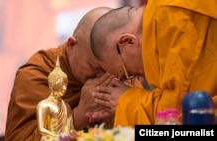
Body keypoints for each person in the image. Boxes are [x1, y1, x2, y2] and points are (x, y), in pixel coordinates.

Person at [5, 6, 139, 141]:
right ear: (71, 45)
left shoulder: (121, 74)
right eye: (94, 67)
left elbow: (155, 132)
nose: (103, 78)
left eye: (110, 70)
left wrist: (126, 114)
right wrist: (79, 116)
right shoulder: (37, 76)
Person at [89, 0, 217, 127]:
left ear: (128, 41)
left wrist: (127, 101)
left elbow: (182, 115)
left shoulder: (171, 17)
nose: (141, 78)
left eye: (129, 73)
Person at [37, 56, 74, 140]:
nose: (64, 88)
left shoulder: (66, 106)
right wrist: (58, 138)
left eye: (66, 85)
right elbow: (41, 129)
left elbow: (71, 128)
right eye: (61, 84)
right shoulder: (44, 105)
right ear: (52, 85)